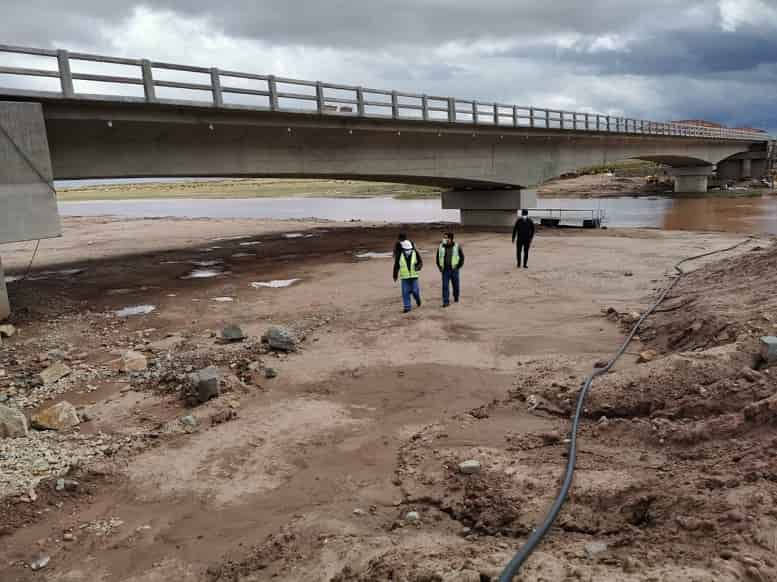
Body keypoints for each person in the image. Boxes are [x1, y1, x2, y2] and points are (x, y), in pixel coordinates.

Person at [393, 233, 423, 313]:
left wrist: (418, 267)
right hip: (404, 277)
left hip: (414, 276)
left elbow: (420, 262)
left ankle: (418, 299)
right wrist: (395, 275)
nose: (407, 251)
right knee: (405, 292)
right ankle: (407, 307)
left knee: (415, 291)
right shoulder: (399, 252)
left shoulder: (414, 251)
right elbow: (396, 265)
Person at [436, 231, 464, 307]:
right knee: (445, 286)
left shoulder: (457, 246)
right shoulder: (440, 246)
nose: (444, 239)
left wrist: (458, 266)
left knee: (455, 285)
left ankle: (456, 296)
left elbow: (462, 257)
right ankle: (446, 302)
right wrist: (439, 267)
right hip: (445, 270)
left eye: (446, 237)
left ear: (450, 239)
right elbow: (438, 258)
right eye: (444, 237)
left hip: (454, 270)